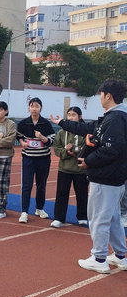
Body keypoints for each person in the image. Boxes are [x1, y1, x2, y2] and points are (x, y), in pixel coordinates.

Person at [51, 79, 127, 273]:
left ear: (108, 96)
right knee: (113, 218)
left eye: (100, 94)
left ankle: (99, 257)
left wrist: (88, 161)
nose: (99, 97)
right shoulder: (112, 117)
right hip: (113, 178)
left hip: (105, 178)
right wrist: (62, 122)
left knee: (99, 218)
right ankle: (120, 256)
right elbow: (86, 128)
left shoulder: (116, 118)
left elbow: (111, 150)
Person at [16, 97, 55, 223]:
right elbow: (18, 135)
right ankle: (24, 212)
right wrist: (22, 142)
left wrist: (42, 138)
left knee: (41, 185)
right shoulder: (23, 123)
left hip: (43, 159)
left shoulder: (45, 123)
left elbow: (52, 139)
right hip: (28, 158)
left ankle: (39, 208)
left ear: (41, 108)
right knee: (26, 185)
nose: (34, 109)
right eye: (32, 106)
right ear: (29, 108)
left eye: (37, 106)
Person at [50, 106, 88, 228]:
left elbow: (87, 147)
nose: (71, 117)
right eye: (69, 115)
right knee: (61, 193)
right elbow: (56, 148)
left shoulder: (85, 132)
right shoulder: (61, 132)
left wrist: (77, 151)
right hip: (64, 169)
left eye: (74, 115)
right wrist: (65, 151)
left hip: (80, 169)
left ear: (80, 117)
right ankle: (59, 218)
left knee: (82, 195)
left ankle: (82, 217)